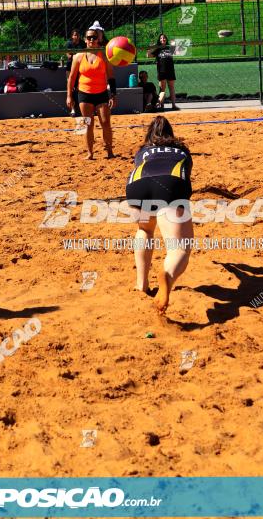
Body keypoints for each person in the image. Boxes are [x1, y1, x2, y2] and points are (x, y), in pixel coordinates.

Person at [126, 115, 193, 313]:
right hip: (170, 184)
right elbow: (185, 175)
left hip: (137, 185)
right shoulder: (182, 150)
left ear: (149, 135)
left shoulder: (142, 151)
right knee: (179, 248)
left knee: (145, 230)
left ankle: (142, 284)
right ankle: (168, 276)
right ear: (171, 134)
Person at [67, 28, 116, 160]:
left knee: (105, 123)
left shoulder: (104, 55)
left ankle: (110, 151)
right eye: (89, 38)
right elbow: (71, 78)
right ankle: (90, 153)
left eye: (94, 37)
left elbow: (111, 76)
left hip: (101, 93)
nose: (92, 40)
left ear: (98, 39)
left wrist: (113, 94)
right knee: (88, 123)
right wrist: (69, 96)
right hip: (84, 94)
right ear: (85, 40)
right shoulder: (78, 56)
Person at [147, 33, 179, 111]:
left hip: (170, 70)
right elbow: (149, 56)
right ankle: (161, 105)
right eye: (161, 38)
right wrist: (150, 48)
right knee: (162, 89)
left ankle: (174, 105)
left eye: (164, 38)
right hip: (162, 71)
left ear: (166, 39)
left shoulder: (169, 48)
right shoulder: (158, 49)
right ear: (159, 40)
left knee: (171, 88)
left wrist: (173, 44)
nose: (163, 39)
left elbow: (176, 52)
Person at [65, 28, 82, 116]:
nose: (76, 36)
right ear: (72, 36)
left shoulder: (82, 43)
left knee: (80, 88)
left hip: (80, 67)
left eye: (78, 35)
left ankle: (81, 108)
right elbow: (68, 55)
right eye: (75, 35)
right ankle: (72, 109)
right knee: (70, 88)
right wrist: (77, 56)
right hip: (70, 67)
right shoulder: (69, 43)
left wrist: (75, 56)